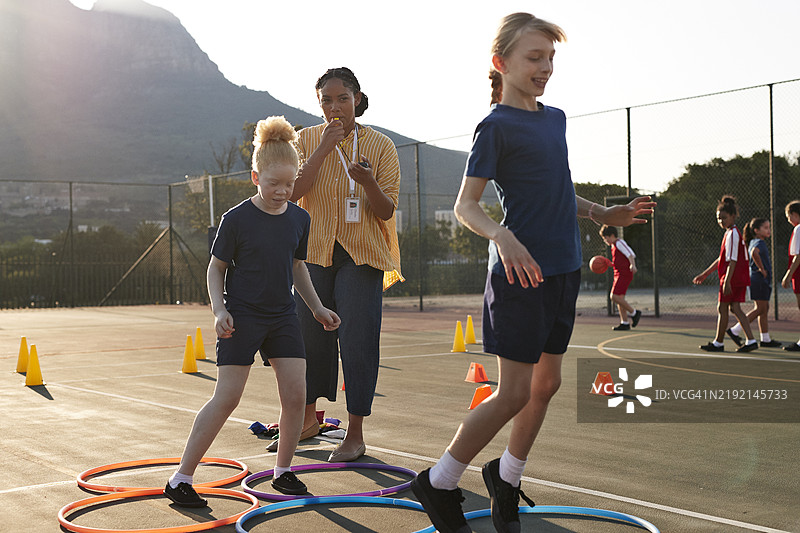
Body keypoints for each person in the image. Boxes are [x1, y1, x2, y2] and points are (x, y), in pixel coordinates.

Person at [409, 13, 655, 533]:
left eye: (550, 59)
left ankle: (506, 474)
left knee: (547, 384)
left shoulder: (555, 118)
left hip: (564, 271)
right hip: (519, 276)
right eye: (533, 58)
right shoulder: (494, 126)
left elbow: (559, 190)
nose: (544, 68)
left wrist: (601, 214)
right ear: (501, 64)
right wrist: (502, 236)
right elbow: (466, 206)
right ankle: (439, 480)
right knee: (514, 391)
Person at [163, 116, 340, 507]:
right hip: (242, 316)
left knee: (296, 395)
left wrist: (317, 308)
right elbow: (215, 268)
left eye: (290, 183)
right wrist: (218, 309)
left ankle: (282, 471)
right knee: (227, 398)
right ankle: (181, 478)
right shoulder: (236, 218)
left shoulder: (299, 218)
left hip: (283, 316)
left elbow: (297, 267)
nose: (283, 191)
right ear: (256, 177)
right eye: (274, 183)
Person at [275, 67, 402, 463]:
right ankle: (309, 421)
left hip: (362, 256)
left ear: (358, 100)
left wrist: (367, 183)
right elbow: (292, 192)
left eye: (342, 99)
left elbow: (385, 210)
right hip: (313, 253)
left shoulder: (381, 146)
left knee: (357, 341)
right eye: (326, 100)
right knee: (309, 339)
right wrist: (323, 148)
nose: (335, 107)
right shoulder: (305, 140)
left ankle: (355, 433)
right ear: (318, 104)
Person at [692, 196, 758, 353]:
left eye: (724, 218)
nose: (721, 221)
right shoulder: (730, 233)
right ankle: (750, 340)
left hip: (732, 278)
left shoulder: (733, 234)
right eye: (718, 218)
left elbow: (733, 260)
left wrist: (727, 281)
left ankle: (719, 343)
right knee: (735, 308)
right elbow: (722, 259)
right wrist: (705, 274)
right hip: (734, 277)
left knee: (723, 308)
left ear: (733, 216)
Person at [726, 218, 782, 347]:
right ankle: (735, 330)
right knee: (760, 308)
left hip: (757, 280)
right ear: (756, 230)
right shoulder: (759, 243)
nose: (769, 230)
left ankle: (765, 339)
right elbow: (754, 253)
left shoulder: (754, 241)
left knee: (764, 308)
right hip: (759, 280)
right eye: (765, 228)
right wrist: (762, 269)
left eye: (769, 227)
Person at [599, 224, 642, 330]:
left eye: (605, 238)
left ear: (612, 235)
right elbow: (620, 260)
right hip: (618, 273)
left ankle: (634, 313)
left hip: (624, 274)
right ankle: (625, 323)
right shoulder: (614, 245)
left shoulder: (619, 243)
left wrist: (633, 264)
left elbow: (630, 254)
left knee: (614, 296)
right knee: (619, 298)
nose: (605, 241)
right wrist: (611, 264)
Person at [781, 200, 800, 352]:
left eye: (788, 217)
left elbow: (797, 255)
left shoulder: (798, 229)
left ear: (794, 215)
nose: (788, 220)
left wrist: (788, 274)